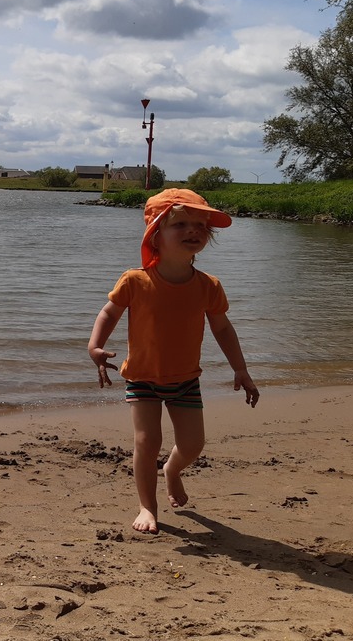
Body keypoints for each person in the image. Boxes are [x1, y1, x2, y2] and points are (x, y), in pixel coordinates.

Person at [87, 188, 259, 534]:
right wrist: (95, 347)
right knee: (147, 441)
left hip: (185, 379)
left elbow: (223, 329)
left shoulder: (208, 286)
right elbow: (109, 312)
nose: (193, 230)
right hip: (143, 377)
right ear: (155, 234)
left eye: (200, 224)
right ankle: (147, 507)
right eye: (180, 224)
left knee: (194, 444)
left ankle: (173, 471)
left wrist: (240, 369)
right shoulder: (135, 280)